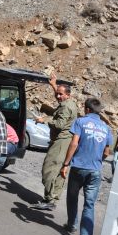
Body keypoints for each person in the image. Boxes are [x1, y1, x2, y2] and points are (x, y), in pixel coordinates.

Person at [60, 98, 113, 235]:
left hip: (78, 167)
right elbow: (107, 152)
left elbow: (74, 143)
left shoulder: (80, 122)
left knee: (72, 197)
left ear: (87, 109)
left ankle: (71, 225)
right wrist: (97, 161)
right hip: (95, 171)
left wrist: (65, 164)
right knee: (89, 204)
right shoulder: (106, 127)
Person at [32, 72, 78, 210]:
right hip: (64, 141)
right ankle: (53, 198)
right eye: (57, 93)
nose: (58, 96)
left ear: (68, 94)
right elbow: (60, 98)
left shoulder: (65, 106)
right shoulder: (68, 102)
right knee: (59, 172)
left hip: (61, 142)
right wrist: (54, 85)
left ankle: (49, 199)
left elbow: (59, 124)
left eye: (60, 94)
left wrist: (43, 120)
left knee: (48, 170)